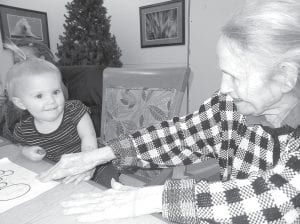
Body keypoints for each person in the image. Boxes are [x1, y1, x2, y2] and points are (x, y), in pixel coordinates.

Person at [39, 0, 300, 223]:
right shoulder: (229, 107)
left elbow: (284, 195)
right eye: (223, 73)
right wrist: (99, 155)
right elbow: (179, 135)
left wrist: (156, 197)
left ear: (286, 77)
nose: (223, 88)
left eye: (235, 77)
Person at [6, 58, 118, 186]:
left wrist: (86, 163)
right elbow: (19, 146)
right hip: (60, 172)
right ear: (20, 103)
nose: (51, 100)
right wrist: (26, 151)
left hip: (95, 164)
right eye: (39, 96)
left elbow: (89, 137)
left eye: (55, 92)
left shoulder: (75, 110)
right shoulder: (23, 129)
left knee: (109, 183)